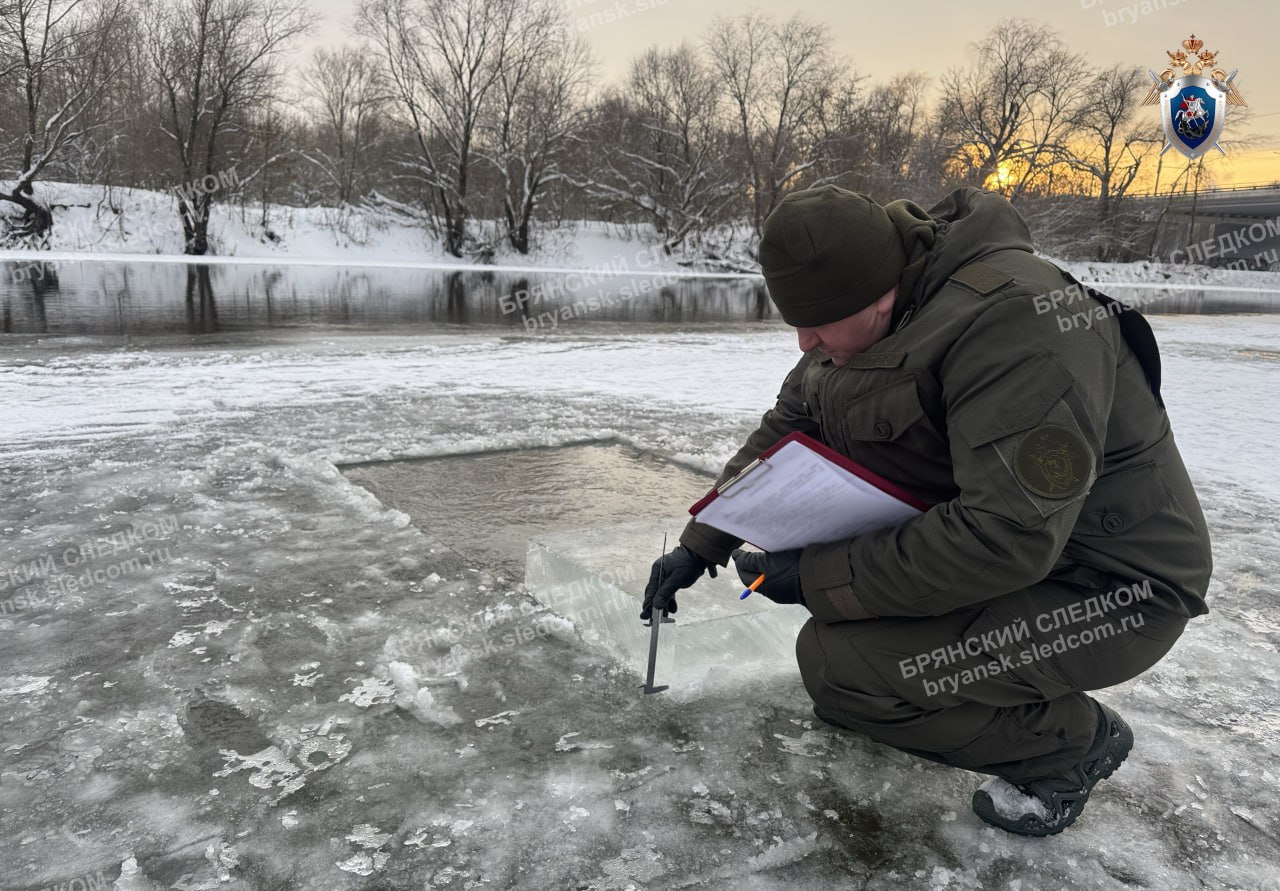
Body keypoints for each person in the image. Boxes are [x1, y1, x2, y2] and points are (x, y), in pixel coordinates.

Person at [640, 185, 1213, 836]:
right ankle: (887, 695)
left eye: (818, 321)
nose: (804, 341)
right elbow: (793, 423)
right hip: (1025, 563)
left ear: (875, 292)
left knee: (842, 666)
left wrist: (819, 575)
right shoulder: (856, 326)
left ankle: (1069, 743)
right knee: (848, 667)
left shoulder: (1019, 320)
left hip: (1106, 590)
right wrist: (704, 540)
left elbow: (1006, 536)